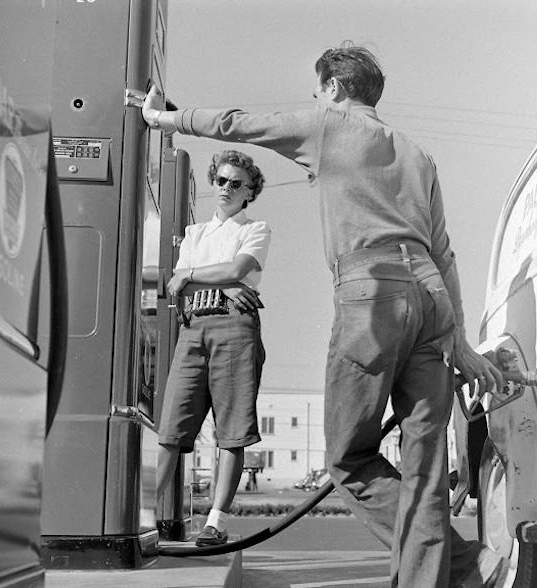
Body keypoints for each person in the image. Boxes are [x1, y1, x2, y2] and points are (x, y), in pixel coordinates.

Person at [136, 44, 506, 586]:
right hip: (433, 302)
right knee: (425, 472)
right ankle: (460, 572)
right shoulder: (419, 155)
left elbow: (240, 125)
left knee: (348, 459)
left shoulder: (330, 125)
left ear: (334, 87)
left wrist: (163, 117)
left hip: (371, 292)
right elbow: (444, 250)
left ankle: (464, 564)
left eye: (318, 90)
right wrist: (461, 342)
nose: (315, 98)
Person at [157, 149, 270, 547]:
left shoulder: (255, 229)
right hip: (193, 330)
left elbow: (238, 270)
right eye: (221, 180)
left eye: (236, 183)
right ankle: (145, 511)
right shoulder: (194, 234)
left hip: (235, 332)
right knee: (171, 424)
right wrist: (222, 284)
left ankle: (215, 521)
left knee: (232, 432)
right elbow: (177, 284)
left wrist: (192, 275)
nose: (226, 188)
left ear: (249, 191)